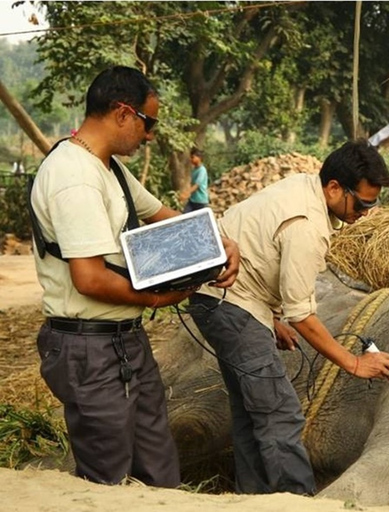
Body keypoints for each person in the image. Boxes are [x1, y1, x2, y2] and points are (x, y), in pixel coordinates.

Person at [29, 66, 240, 488]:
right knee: (107, 475)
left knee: (158, 460)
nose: (149, 136)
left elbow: (162, 215)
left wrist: (219, 242)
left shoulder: (109, 168)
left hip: (124, 338)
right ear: (123, 113)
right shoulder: (74, 177)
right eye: (149, 123)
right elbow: (88, 278)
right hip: (88, 347)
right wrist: (158, 300)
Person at [187, 139, 389, 495]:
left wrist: (270, 319)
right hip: (229, 301)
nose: (365, 212)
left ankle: (253, 498)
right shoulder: (306, 226)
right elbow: (302, 314)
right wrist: (353, 363)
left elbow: (259, 253)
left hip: (225, 296)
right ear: (333, 187)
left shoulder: (304, 186)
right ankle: (298, 501)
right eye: (361, 203)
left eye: (372, 204)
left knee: (252, 411)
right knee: (279, 411)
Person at [180, 147, 209, 213]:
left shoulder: (202, 170)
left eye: (193, 157)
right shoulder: (194, 170)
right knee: (185, 216)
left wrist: (186, 194)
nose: (191, 159)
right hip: (192, 201)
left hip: (201, 201)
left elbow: (197, 185)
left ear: (199, 158)